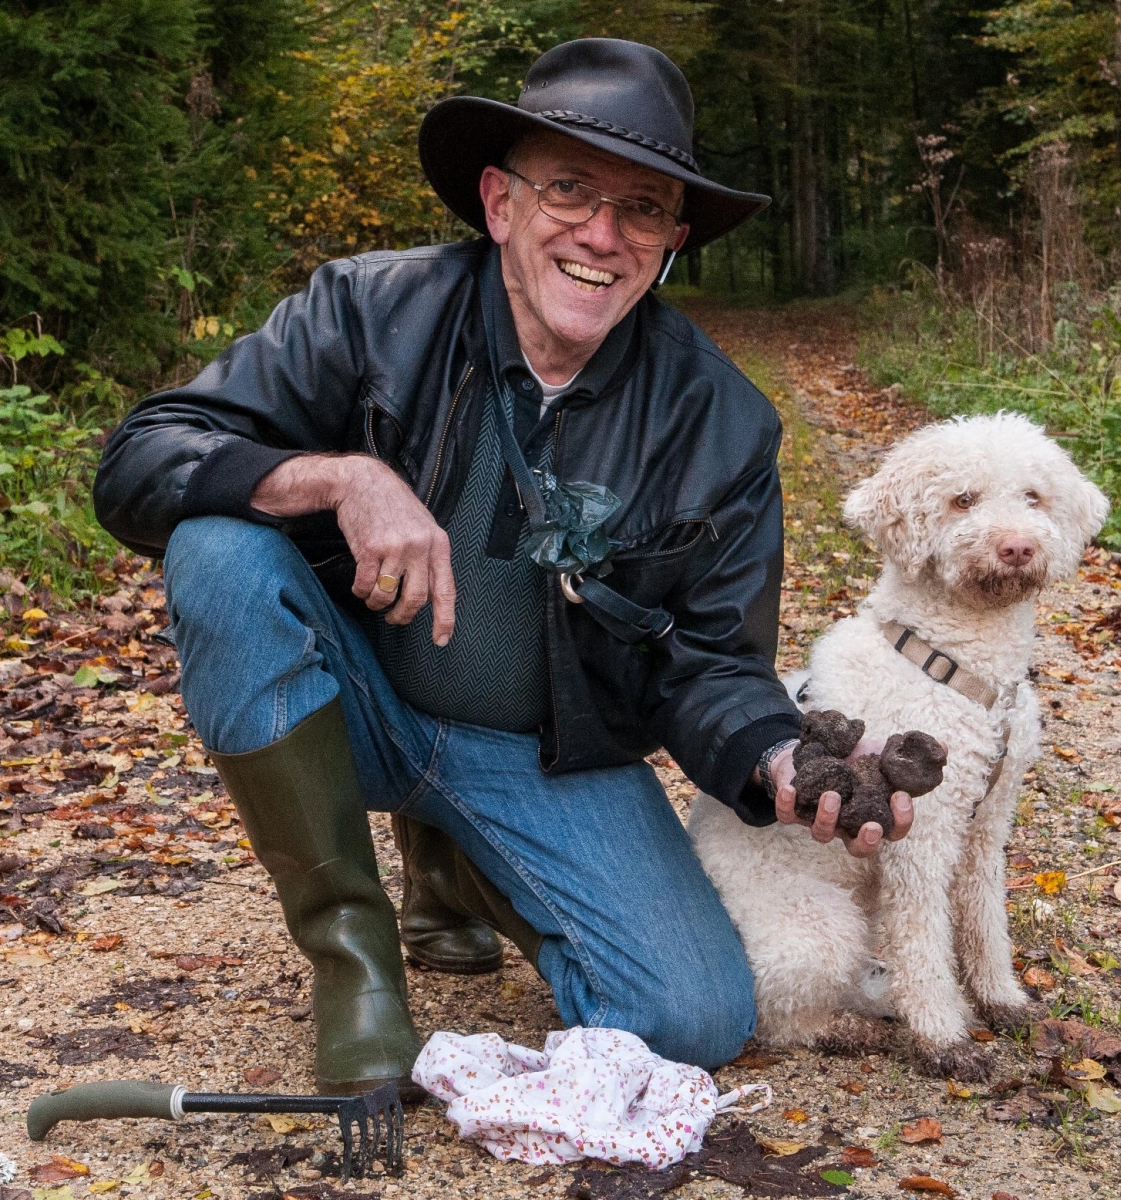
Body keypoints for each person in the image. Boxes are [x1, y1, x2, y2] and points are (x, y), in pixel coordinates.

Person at [91, 37, 913, 1095]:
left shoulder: (722, 422)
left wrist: (776, 761)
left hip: (537, 753)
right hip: (356, 705)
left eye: (644, 208)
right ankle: (354, 956)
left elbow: (711, 661)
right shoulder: (364, 310)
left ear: (672, 240)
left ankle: (469, 859)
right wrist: (334, 478)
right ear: (498, 202)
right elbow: (140, 460)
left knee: (691, 1016)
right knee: (219, 547)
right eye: (568, 189)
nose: (601, 235)